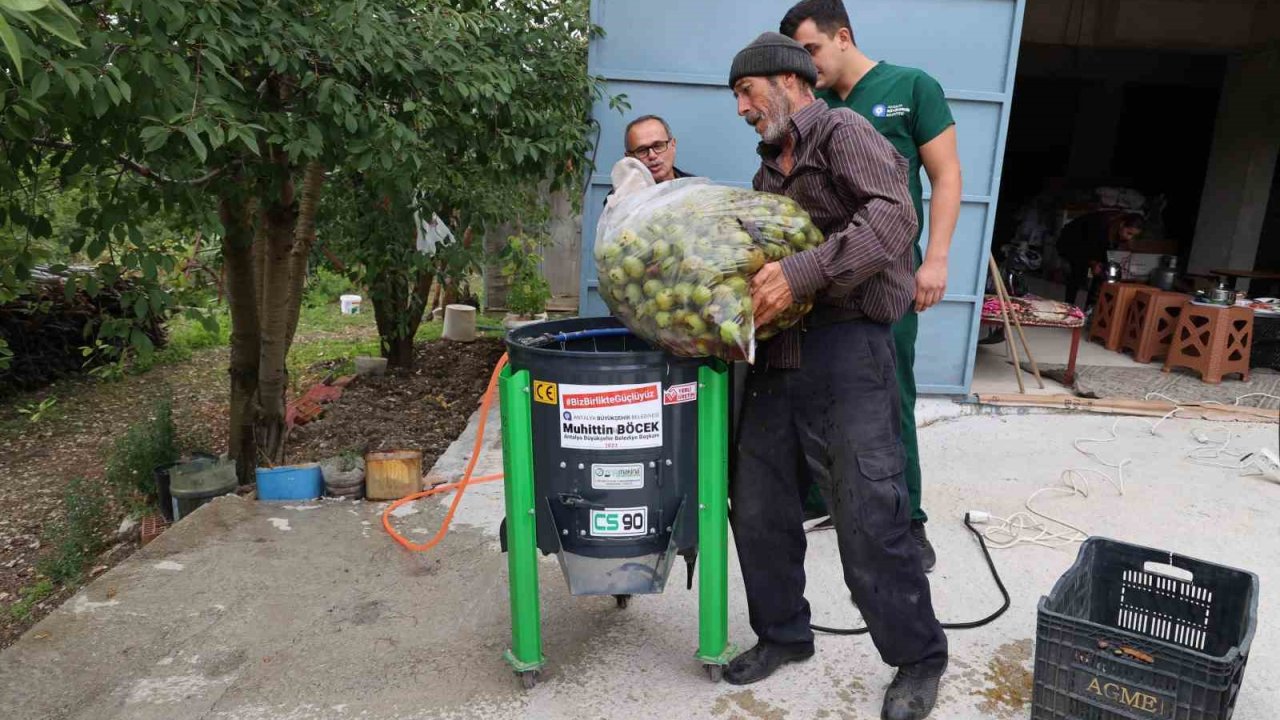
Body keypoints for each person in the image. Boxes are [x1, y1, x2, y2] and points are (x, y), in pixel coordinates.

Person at [724, 32, 948, 720]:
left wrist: (800, 272)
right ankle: (784, 634)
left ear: (790, 80)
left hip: (850, 348)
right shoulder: (769, 172)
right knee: (758, 507)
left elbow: (894, 216)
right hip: (781, 355)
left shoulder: (842, 132)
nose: (740, 109)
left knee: (869, 514)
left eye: (745, 91)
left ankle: (918, 658)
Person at [781, 0, 962, 573]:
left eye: (810, 51)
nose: (807, 68)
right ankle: (831, 498)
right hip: (823, 278)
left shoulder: (911, 87)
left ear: (842, 36)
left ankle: (907, 519)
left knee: (889, 392)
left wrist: (933, 261)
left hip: (888, 278)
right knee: (819, 387)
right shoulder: (812, 107)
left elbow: (946, 175)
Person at [1057, 210, 1144, 309]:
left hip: (1094, 243)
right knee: (1078, 271)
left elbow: (1110, 252)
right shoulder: (1101, 224)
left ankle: (1089, 309)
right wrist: (1093, 263)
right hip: (1075, 240)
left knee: (1101, 273)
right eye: (1129, 233)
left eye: (1133, 235)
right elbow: (1088, 246)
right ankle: (1068, 306)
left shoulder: (1117, 232)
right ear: (1122, 224)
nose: (1129, 237)